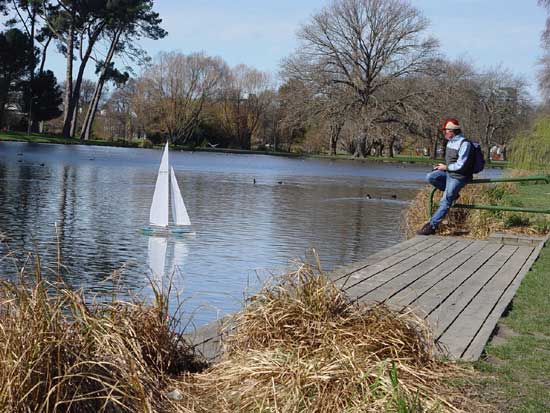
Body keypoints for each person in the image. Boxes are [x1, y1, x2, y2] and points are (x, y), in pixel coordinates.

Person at [417, 119, 474, 235]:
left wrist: (446, 167)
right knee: (431, 177)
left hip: (459, 176)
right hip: (449, 173)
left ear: (453, 131)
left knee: (445, 200)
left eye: (446, 131)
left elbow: (461, 165)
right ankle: (454, 194)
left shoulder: (465, 144)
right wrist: (440, 167)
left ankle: (432, 226)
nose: (444, 133)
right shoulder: (450, 142)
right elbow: (450, 162)